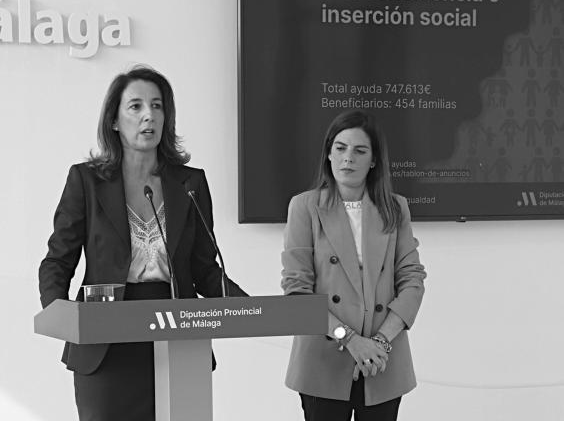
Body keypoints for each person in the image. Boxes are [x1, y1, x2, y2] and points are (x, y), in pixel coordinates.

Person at [38, 65, 247, 420]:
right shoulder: (87, 181)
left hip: (178, 335)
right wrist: (59, 314)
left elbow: (204, 269)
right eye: (136, 106)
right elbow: (58, 260)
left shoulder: (191, 183)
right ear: (114, 120)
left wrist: (248, 308)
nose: (148, 115)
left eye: (157, 105)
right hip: (106, 342)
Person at [281, 110, 426, 421]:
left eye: (360, 151)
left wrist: (379, 343)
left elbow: (412, 281)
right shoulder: (304, 207)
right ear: (329, 153)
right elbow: (297, 292)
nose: (348, 157)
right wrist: (350, 340)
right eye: (340, 148)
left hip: (382, 361)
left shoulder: (395, 208)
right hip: (323, 360)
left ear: (373, 160)